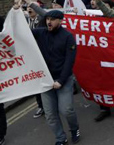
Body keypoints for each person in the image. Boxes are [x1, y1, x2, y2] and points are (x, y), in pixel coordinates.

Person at [30, 10, 80, 145]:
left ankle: (74, 129)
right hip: (46, 81)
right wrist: (16, 12)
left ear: (60, 21)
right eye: (47, 19)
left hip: (62, 79)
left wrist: (61, 80)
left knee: (66, 109)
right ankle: (60, 138)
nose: (48, 22)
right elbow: (22, 33)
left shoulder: (68, 36)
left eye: (52, 19)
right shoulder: (41, 32)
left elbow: (70, 61)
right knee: (51, 115)